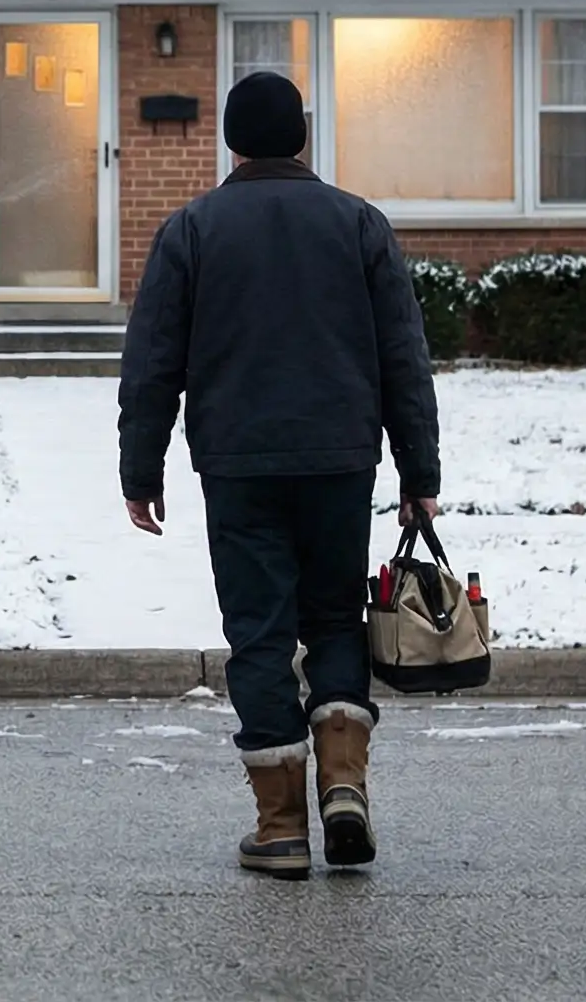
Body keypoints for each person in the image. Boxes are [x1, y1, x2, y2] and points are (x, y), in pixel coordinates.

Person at [116, 70, 441, 880]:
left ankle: (281, 826)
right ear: (301, 136)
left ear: (231, 139)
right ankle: (343, 783)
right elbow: (403, 356)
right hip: (339, 459)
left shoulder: (192, 229)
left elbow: (153, 364)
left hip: (238, 463)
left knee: (258, 631)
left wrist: (141, 467)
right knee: (333, 617)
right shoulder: (358, 224)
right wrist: (418, 470)